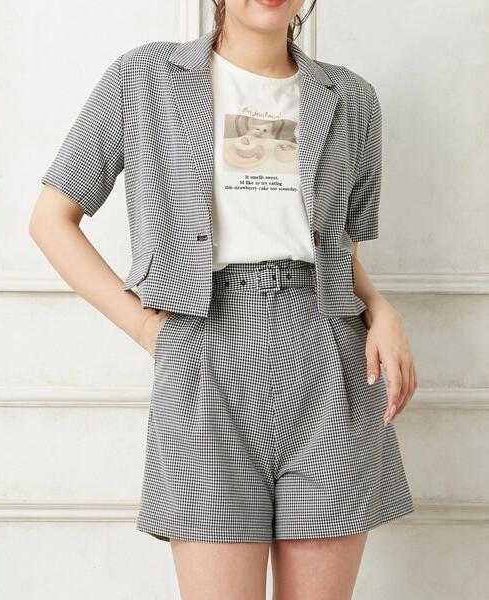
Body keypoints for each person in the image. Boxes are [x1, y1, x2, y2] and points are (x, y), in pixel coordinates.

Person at [29, 1, 417, 598]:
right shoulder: (144, 77)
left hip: (329, 356)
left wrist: (382, 310)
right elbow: (51, 220)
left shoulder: (351, 97)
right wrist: (144, 328)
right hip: (202, 350)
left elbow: (343, 251)